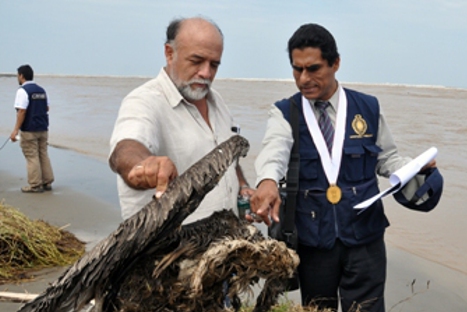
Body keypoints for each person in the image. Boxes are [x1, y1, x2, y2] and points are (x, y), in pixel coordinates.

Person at [250, 23, 442, 312]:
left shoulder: (367, 108)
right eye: (297, 69)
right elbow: (274, 151)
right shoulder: (285, 111)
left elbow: (387, 159)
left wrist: (415, 167)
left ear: (335, 63)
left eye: (313, 68)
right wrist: (267, 181)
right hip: (314, 241)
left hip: (365, 237)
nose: (304, 78)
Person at [109, 17, 253, 224]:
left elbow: (228, 158)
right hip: (172, 251)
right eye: (196, 61)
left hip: (225, 243)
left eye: (214, 64)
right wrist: (144, 166)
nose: (206, 73)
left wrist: (243, 187)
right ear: (169, 53)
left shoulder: (217, 102)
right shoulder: (143, 101)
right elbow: (125, 149)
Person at [10, 64, 54, 193]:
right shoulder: (42, 90)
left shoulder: (22, 91)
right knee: (43, 154)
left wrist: (15, 130)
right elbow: (47, 108)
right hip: (43, 128)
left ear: (22, 76)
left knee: (31, 156)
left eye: (18, 75)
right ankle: (47, 182)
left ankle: (35, 184)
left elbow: (21, 111)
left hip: (29, 129)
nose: (18, 78)